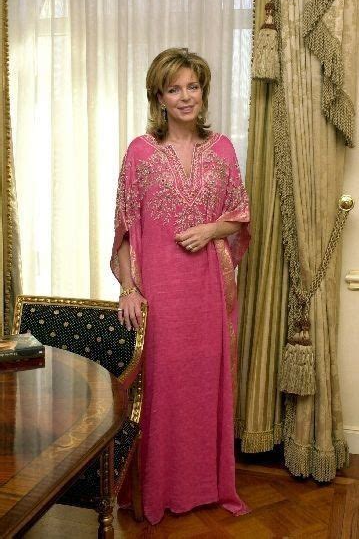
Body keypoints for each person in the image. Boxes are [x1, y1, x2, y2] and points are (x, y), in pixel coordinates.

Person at [111, 47, 250, 525]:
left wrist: (212, 230)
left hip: (208, 293)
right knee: (162, 391)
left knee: (204, 388)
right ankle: (157, 490)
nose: (185, 96)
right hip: (161, 297)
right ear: (160, 97)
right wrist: (129, 289)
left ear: (203, 92)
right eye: (175, 89)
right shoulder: (140, 153)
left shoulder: (224, 150)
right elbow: (124, 230)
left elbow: (239, 216)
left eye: (193, 86)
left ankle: (205, 487)